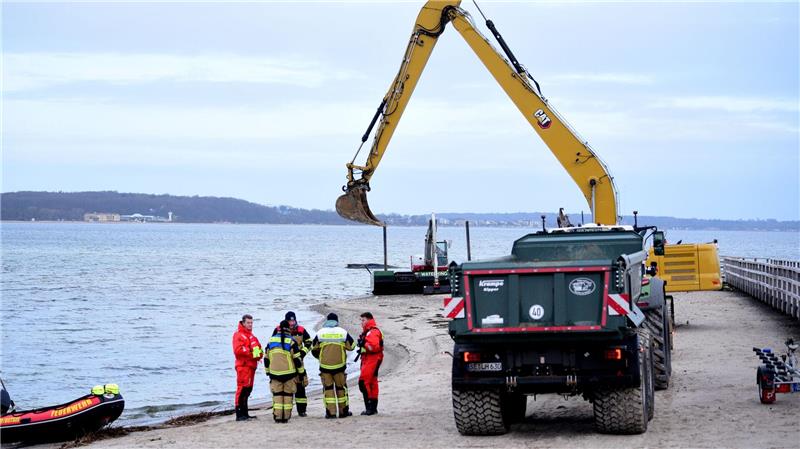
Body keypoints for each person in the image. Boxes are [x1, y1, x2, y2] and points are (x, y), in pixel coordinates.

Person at [311, 312, 355, 419]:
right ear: (337, 321)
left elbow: (313, 348)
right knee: (341, 389)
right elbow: (352, 346)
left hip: (325, 367)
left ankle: (331, 413)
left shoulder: (320, 333)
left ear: (327, 321)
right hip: (340, 366)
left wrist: (320, 357)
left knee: (328, 389)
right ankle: (343, 412)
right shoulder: (343, 332)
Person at [272, 311, 312, 416]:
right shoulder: (278, 329)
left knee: (300, 386)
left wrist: (303, 353)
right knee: (285, 388)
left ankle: (302, 411)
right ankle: (283, 411)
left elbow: (309, 342)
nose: (291, 323)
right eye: (289, 321)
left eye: (293, 321)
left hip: (298, 360)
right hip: (285, 363)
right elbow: (272, 344)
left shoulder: (301, 330)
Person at [265, 320, 303, 423]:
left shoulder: (271, 340)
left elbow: (266, 359)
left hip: (274, 373)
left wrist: (268, 372)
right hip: (289, 374)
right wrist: (301, 373)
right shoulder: (291, 341)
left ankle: (278, 417)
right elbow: (297, 360)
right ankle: (285, 418)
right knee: (288, 395)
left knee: (277, 396)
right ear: (288, 329)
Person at [232, 314, 263, 421]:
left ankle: (245, 413)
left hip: (251, 366)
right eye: (248, 323)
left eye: (251, 323)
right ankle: (239, 414)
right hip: (243, 366)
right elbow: (238, 350)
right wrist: (251, 353)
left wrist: (257, 354)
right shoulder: (238, 335)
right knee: (242, 389)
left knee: (248, 390)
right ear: (243, 323)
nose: (250, 325)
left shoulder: (251, 336)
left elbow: (259, 350)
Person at [357, 312, 384, 415]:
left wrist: (364, 343)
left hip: (373, 359)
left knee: (363, 382)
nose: (361, 323)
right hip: (369, 358)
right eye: (361, 320)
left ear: (369, 320)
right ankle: (372, 408)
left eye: (363, 320)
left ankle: (370, 408)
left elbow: (374, 347)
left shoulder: (372, 332)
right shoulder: (369, 332)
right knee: (372, 382)